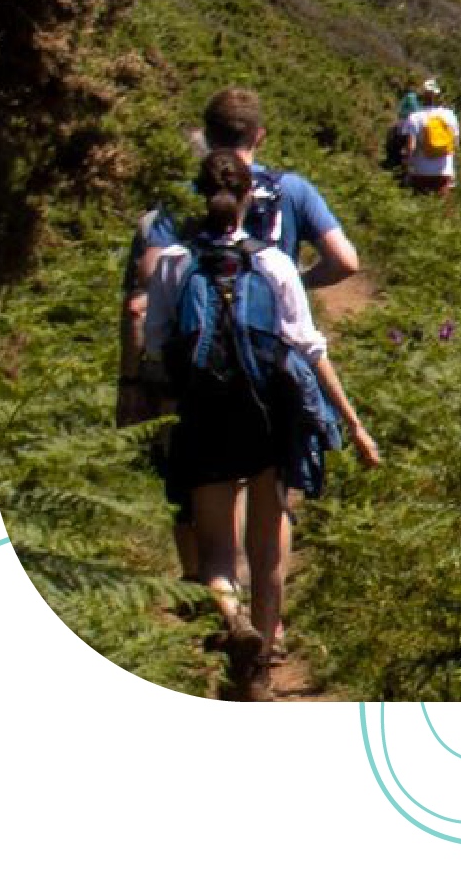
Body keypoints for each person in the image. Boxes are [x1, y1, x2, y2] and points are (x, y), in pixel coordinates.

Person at [140, 149, 380, 697]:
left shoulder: (174, 263)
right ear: (251, 198)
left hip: (204, 418)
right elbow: (310, 348)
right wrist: (354, 425)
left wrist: (151, 416)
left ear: (199, 196)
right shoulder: (273, 263)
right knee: (268, 550)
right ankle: (263, 666)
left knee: (219, 556)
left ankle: (232, 620)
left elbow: (156, 348)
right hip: (268, 420)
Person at [122, 87, 361, 580]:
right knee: (273, 502)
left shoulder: (182, 201)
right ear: (260, 135)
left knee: (207, 492)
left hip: (197, 373)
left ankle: (210, 602)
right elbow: (345, 261)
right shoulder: (292, 191)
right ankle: (268, 630)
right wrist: (297, 281)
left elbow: (143, 298)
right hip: (277, 367)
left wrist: (137, 383)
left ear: (206, 135)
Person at [396, 77, 461, 198]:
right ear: (438, 96)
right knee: (441, 212)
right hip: (444, 172)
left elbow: (410, 147)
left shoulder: (415, 117)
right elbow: (455, 144)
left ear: (422, 96)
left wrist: (406, 169)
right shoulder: (450, 115)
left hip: (421, 172)